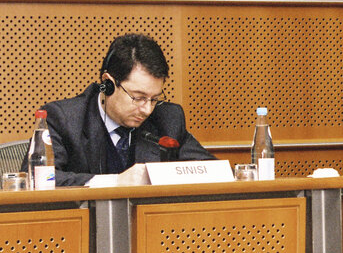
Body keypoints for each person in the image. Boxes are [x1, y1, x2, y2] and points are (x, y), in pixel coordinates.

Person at [22, 33, 215, 186]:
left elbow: (212, 171)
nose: (147, 109)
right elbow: (37, 179)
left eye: (154, 99)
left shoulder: (167, 118)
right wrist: (115, 182)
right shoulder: (63, 119)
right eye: (138, 98)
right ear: (108, 84)